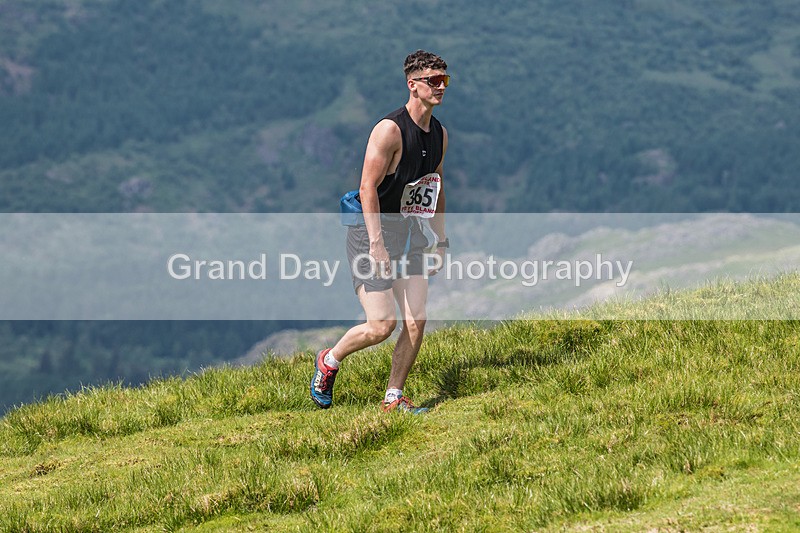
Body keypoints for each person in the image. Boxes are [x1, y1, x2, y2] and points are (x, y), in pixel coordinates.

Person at [310, 50, 450, 413]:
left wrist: (441, 240)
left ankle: (393, 397)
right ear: (412, 85)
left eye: (444, 80)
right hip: (370, 233)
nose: (440, 87)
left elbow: (435, 186)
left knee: (416, 320)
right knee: (382, 324)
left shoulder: (439, 134)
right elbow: (367, 187)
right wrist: (377, 246)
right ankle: (330, 359)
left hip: (410, 232)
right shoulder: (389, 130)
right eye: (433, 80)